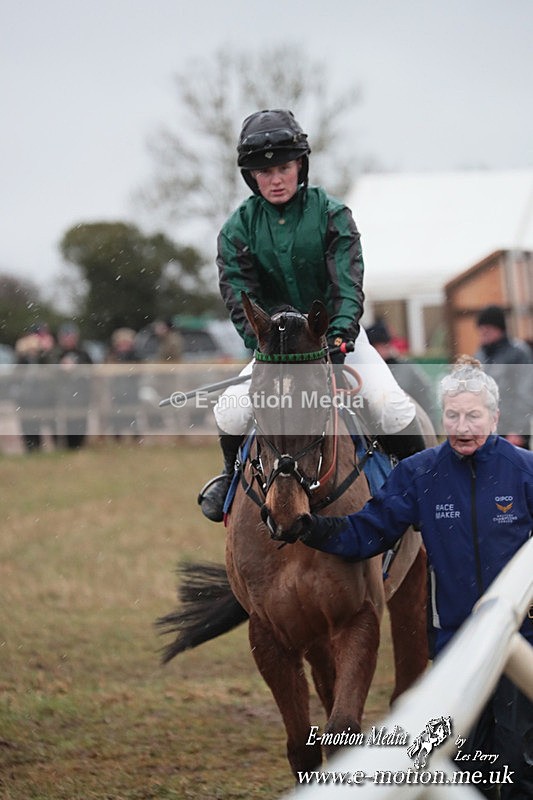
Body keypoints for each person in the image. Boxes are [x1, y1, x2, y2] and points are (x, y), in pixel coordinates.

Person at [293, 356, 533, 799]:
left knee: (516, 762)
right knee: (464, 764)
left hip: (522, 643)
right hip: (455, 647)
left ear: (495, 417)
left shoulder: (524, 471)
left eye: (474, 416)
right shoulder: (421, 472)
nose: (462, 426)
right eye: (453, 415)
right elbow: (370, 531)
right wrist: (313, 529)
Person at [199, 108, 426, 522]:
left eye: (284, 167)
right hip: (275, 352)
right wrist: (266, 346)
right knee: (230, 410)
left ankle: (425, 488)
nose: (276, 179)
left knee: (392, 407)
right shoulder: (236, 230)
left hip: (339, 344)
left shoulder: (332, 214)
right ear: (251, 177)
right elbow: (240, 299)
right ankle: (230, 478)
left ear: (300, 165)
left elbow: (347, 285)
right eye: (264, 172)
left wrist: (338, 338)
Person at [474, 304, 532, 449]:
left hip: (511, 431)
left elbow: (525, 393)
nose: (483, 333)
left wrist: (518, 430)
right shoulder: (480, 355)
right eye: (481, 330)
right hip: (487, 431)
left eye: (487, 329)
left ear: (499, 329)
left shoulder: (518, 354)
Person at [366, 319, 438, 425]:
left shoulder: (406, 368)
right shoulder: (370, 370)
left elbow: (426, 399)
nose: (383, 349)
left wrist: (433, 428)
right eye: (378, 346)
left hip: (410, 424)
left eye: (384, 344)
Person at [50, 322, 93, 449]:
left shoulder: (83, 353)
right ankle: (64, 447)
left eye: (71, 336)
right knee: (62, 424)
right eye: (66, 337)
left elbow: (91, 370)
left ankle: (78, 446)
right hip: (61, 396)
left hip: (80, 395)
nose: (68, 340)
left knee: (80, 423)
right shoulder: (56, 353)